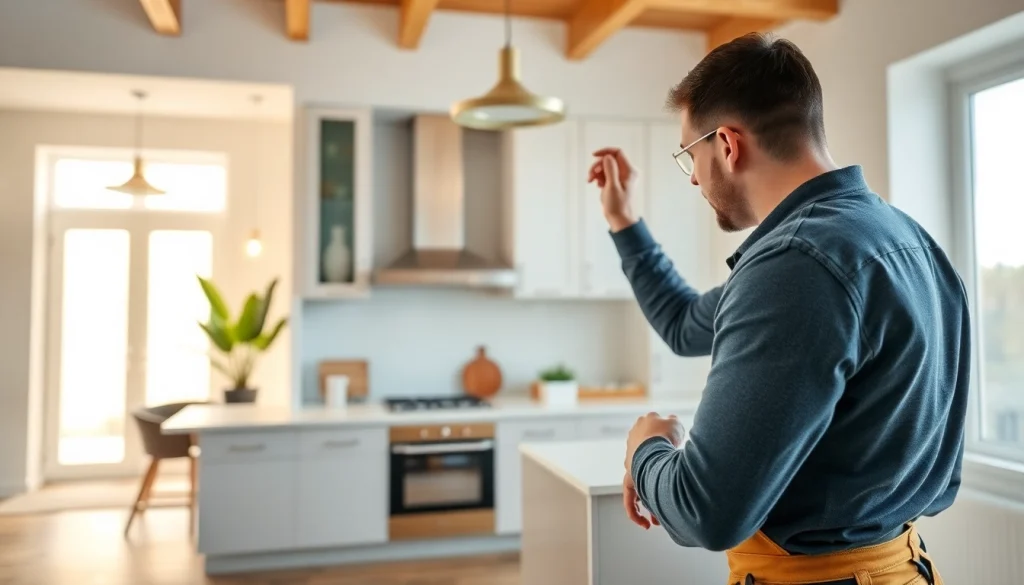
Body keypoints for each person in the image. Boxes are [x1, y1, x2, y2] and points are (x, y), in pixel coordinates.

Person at [587, 33, 969, 585]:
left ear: (727, 144)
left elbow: (705, 511)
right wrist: (624, 221)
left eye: (689, 156)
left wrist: (645, 445)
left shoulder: (793, 267)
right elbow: (682, 323)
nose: (693, 176)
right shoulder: (908, 242)